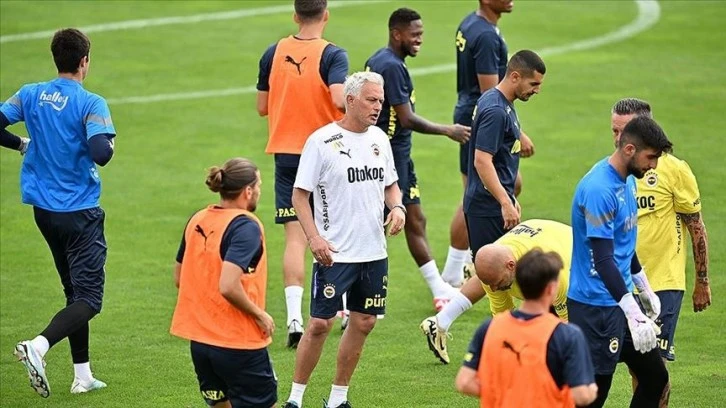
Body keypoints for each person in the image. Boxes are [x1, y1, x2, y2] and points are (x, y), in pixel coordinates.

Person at [1, 28, 115, 398]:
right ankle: (38, 346)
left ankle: (83, 375)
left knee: (73, 292)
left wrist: (21, 143)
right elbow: (101, 153)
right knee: (89, 299)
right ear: (84, 61)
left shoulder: (30, 93)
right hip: (79, 212)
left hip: (43, 212)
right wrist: (109, 143)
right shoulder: (90, 102)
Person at [282, 71, 405, 408]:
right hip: (334, 253)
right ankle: (295, 399)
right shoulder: (321, 142)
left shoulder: (379, 139)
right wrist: (314, 239)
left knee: (364, 321)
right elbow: (299, 196)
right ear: (350, 100)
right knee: (320, 324)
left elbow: (391, 184)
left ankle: (338, 399)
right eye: (371, 100)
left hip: (373, 252)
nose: (378, 106)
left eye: (381, 101)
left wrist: (397, 207)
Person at [420, 50, 546, 361]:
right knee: (502, 278)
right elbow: (481, 161)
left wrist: (510, 196)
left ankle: (442, 323)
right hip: (488, 208)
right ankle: (508, 347)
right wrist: (504, 201)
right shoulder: (495, 109)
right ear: (515, 76)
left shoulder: (500, 102)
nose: (537, 91)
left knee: (496, 275)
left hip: (492, 203)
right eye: (533, 84)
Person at [256, 0, 349, 348]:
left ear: (295, 16)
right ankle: (340, 307)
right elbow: (339, 100)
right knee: (333, 230)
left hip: (285, 154)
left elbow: (262, 106)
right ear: (326, 15)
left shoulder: (273, 52)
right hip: (324, 152)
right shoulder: (333, 54)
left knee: (295, 239)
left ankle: (294, 317)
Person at [364, 7, 470, 311]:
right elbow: (406, 118)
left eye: (421, 34)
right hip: (388, 159)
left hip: (395, 156)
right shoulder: (392, 66)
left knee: (413, 219)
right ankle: (346, 298)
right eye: (414, 34)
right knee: (376, 227)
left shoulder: (381, 60)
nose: (419, 40)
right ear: (396, 34)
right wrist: (447, 130)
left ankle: (439, 288)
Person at [610, 98, 712, 406]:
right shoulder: (614, 172)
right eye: (614, 130)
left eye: (625, 130)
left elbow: (696, 225)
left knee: (655, 370)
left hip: (663, 283)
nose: (618, 138)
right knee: (636, 366)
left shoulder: (674, 170)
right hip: (625, 284)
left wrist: (702, 281)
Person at [568, 116, 672, 408]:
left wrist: (644, 287)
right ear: (629, 150)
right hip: (595, 308)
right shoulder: (599, 190)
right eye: (651, 157)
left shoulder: (628, 181)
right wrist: (634, 313)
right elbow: (603, 260)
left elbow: (623, 244)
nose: (654, 166)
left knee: (655, 377)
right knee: (593, 396)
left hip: (620, 300)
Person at [443, 0, 535, 289]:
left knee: (509, 183)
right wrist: (518, 133)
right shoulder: (485, 35)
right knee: (475, 193)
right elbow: (492, 91)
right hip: (482, 122)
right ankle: (455, 269)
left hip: (471, 112)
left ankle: (462, 263)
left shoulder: (472, 23)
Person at [170, 158, 277, 408]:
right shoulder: (245, 227)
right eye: (258, 186)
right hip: (239, 343)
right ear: (248, 191)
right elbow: (228, 285)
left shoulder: (198, 219)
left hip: (201, 344)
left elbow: (179, 278)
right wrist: (259, 314)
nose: (259, 191)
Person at [455, 249, 597, 407]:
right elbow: (581, 395)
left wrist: (507, 394)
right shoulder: (567, 334)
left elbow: (464, 382)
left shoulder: (489, 328)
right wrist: (592, 389)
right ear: (551, 288)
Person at [422, 219, 570, 364]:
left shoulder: (552, 277)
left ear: (511, 266)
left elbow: (568, 325)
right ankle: (442, 320)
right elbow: (504, 318)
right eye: (488, 284)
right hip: (537, 234)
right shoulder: (492, 275)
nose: (493, 289)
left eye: (497, 283)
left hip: (573, 247)